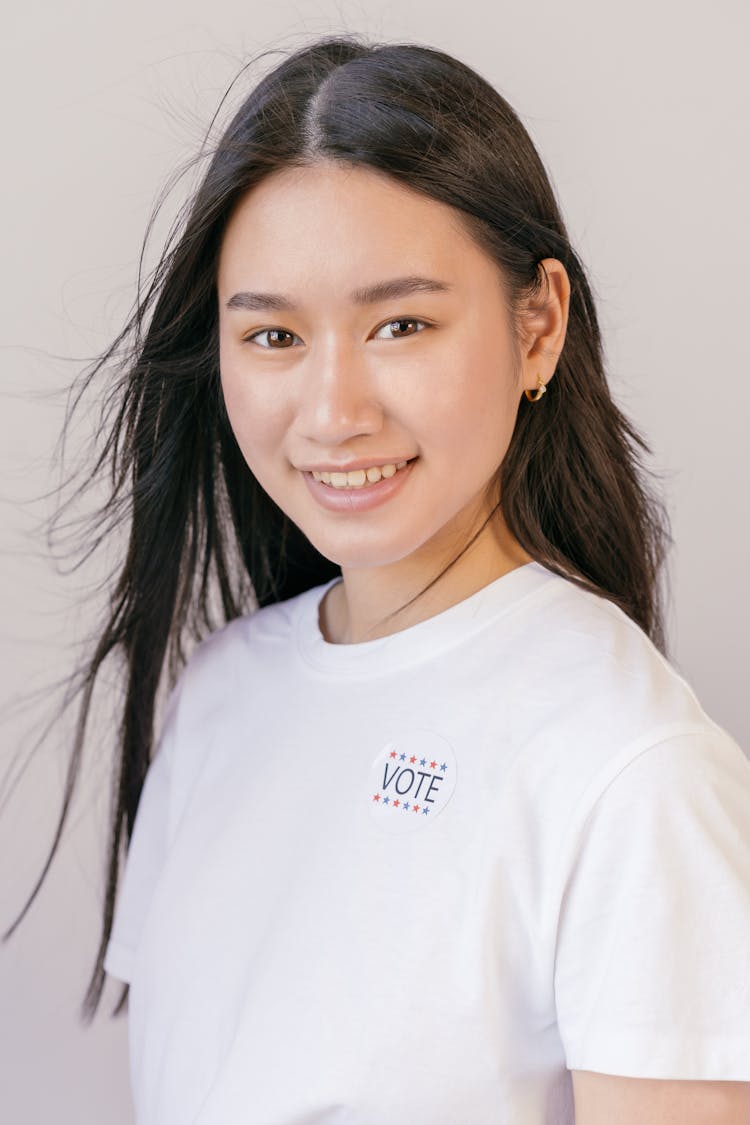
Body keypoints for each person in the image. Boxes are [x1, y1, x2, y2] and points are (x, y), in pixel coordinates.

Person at [17, 30, 750, 1125]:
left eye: (400, 324)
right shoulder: (219, 696)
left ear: (536, 325)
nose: (331, 412)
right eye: (271, 336)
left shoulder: (629, 766)